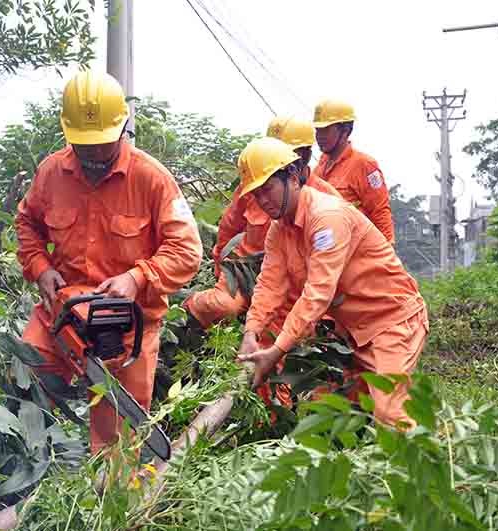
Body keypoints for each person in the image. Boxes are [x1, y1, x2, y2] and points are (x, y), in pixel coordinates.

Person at [15, 69, 202, 453]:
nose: (94, 154)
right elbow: (27, 222)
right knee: (24, 382)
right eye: (85, 145)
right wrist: (41, 267)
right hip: (63, 309)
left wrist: (138, 277)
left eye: (101, 143)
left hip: (125, 326)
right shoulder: (52, 172)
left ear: (121, 128)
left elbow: (186, 251)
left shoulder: (152, 179)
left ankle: (109, 499)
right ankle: (27, 469)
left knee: (118, 442)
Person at [235, 137, 428, 428]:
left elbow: (318, 293)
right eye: (256, 195)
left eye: (268, 190)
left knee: (390, 415)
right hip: (353, 332)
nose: (263, 201)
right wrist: (251, 331)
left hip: (392, 322)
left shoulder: (326, 218)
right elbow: (269, 285)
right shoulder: (279, 231)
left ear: (293, 176)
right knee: (335, 416)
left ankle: (436, 468)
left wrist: (277, 350)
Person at [182, 117, 339, 410]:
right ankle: (185, 312)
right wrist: (221, 268)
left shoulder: (323, 201)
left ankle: (273, 414)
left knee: (282, 344)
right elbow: (229, 226)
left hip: (291, 284)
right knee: (222, 304)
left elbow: (319, 280)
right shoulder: (254, 187)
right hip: (245, 271)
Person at [312, 99, 395, 244]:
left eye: (326, 130)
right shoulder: (318, 170)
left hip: (359, 253)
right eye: (317, 130)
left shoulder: (365, 165)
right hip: (330, 253)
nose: (319, 136)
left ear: (345, 130)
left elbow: (380, 211)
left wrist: (387, 254)